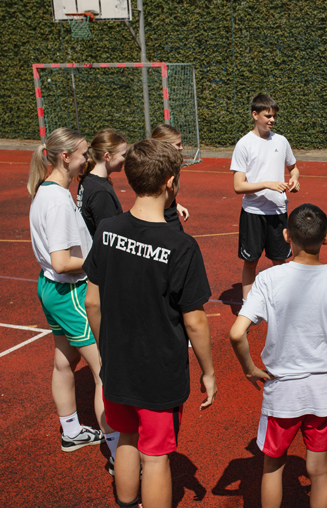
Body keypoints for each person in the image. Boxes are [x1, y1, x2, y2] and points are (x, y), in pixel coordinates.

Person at [83, 139, 216, 508]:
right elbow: (195, 321)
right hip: (158, 369)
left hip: (118, 362)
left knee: (125, 437)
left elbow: (92, 300)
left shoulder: (107, 229)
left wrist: (105, 347)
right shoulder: (181, 246)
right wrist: (208, 370)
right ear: (171, 182)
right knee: (156, 454)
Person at [229, 203, 327, 508]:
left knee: (272, 466)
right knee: (320, 470)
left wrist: (249, 368)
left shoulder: (268, 279)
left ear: (287, 236)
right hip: (323, 391)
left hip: (282, 390)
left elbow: (236, 334)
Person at [27, 127, 114, 456]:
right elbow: (62, 262)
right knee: (105, 370)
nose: (86, 160)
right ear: (66, 157)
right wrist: (102, 263)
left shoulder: (45, 191)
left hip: (50, 288)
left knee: (64, 362)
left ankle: (72, 432)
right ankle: (118, 454)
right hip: (72, 292)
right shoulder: (59, 202)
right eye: (82, 155)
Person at [231, 93, 300, 301]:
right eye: (267, 115)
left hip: (278, 211)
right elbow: (238, 186)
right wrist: (267, 184)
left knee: (279, 262)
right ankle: (247, 305)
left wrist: (295, 179)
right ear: (255, 115)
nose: (272, 120)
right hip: (253, 213)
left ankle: (279, 302)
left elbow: (294, 168)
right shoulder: (244, 144)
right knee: (250, 261)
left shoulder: (281, 141)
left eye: (274, 116)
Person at [76, 128, 128, 236]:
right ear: (107, 156)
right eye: (123, 155)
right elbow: (108, 236)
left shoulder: (87, 180)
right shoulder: (101, 192)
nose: (125, 159)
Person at [150, 124, 190, 231]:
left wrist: (175, 205)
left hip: (170, 213)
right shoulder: (156, 169)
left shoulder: (165, 164)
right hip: (165, 221)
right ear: (165, 145)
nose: (181, 148)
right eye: (178, 144)